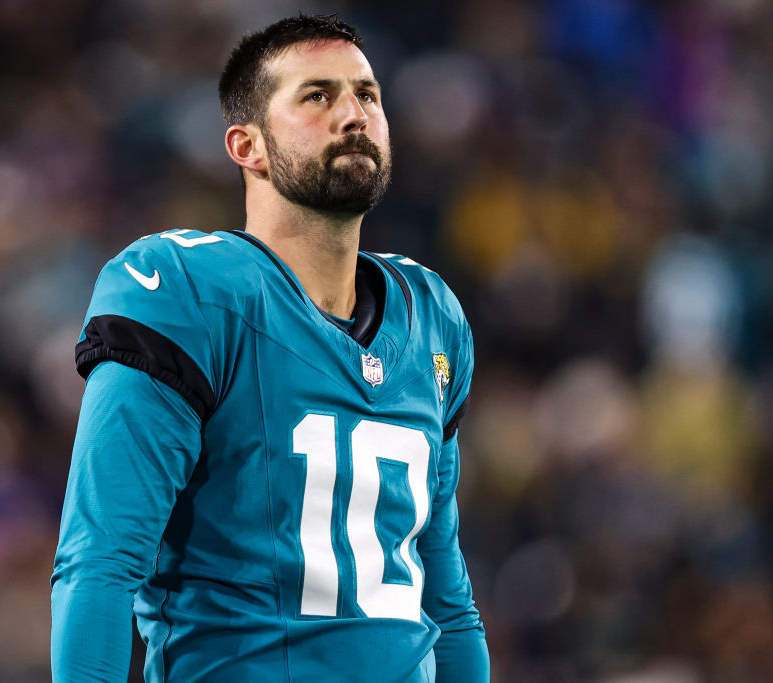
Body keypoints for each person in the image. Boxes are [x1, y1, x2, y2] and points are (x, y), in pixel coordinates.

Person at [51, 14, 489, 682]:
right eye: (317, 95)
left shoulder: (430, 318)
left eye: (367, 94)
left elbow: (446, 598)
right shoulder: (187, 290)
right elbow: (100, 563)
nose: (354, 114)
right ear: (246, 145)